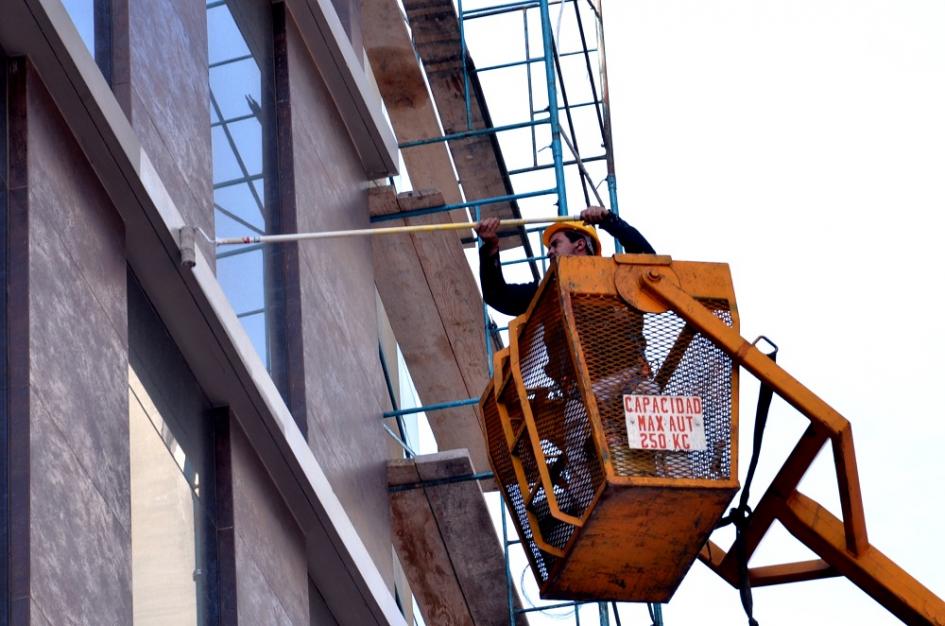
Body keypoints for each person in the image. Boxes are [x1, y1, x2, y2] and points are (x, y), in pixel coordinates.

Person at [475, 206, 656, 317]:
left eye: (555, 244)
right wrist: (491, 247)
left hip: (629, 376)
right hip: (571, 378)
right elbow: (498, 296)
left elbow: (649, 264)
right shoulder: (547, 289)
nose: (549, 252)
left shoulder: (614, 278)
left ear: (579, 244)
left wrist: (610, 220)